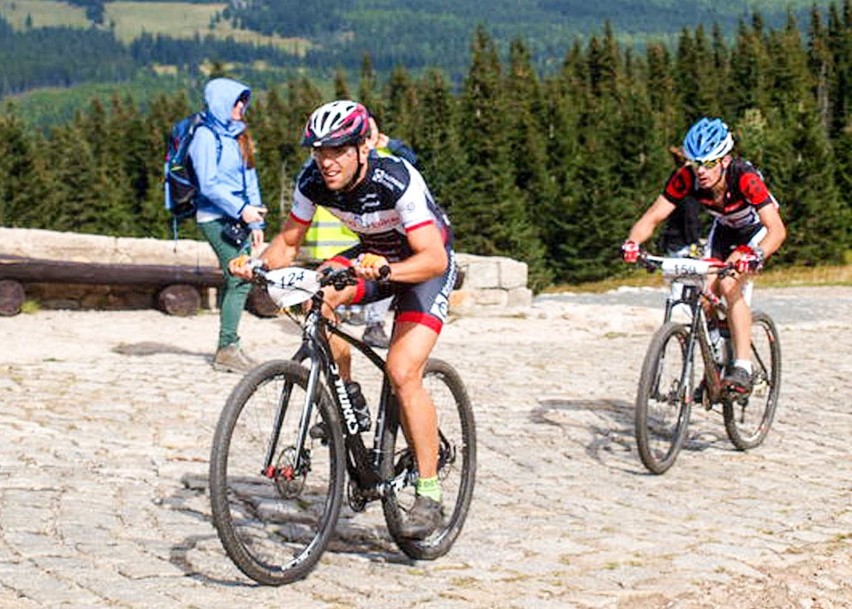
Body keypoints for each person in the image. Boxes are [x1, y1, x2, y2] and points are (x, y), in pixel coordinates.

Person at [230, 100, 457, 539]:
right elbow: (288, 243)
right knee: (316, 293)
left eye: (337, 151)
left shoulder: (396, 179)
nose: (327, 161)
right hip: (372, 257)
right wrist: (256, 263)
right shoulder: (312, 179)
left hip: (422, 265)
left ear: (361, 148)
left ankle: (429, 494)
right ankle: (348, 396)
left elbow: (430, 258)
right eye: (319, 151)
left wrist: (389, 272)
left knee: (402, 370)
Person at [621, 117, 786, 395]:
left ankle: (742, 366)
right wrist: (632, 242)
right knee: (703, 289)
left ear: (725, 160)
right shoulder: (686, 177)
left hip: (756, 233)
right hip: (724, 230)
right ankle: (716, 363)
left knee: (729, 284)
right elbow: (654, 216)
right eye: (696, 163)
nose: (702, 171)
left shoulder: (745, 177)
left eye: (709, 163)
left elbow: (777, 229)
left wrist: (756, 254)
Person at [191, 77, 267, 373]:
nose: (241, 106)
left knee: (237, 276)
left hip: (240, 216)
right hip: (215, 216)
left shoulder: (238, 134)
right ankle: (227, 349)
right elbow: (207, 184)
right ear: (221, 101)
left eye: (244, 101)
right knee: (239, 277)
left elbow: (250, 178)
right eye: (236, 100)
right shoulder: (205, 137)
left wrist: (256, 219)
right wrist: (242, 209)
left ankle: (230, 345)